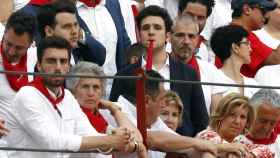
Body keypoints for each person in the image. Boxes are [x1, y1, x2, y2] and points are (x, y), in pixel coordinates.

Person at [5, 36, 134, 158]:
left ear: (68, 67)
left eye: (63, 61)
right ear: (39, 65)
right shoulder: (27, 95)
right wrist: (109, 140)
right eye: (51, 61)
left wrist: (117, 137)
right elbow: (53, 143)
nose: (58, 67)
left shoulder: (67, 97)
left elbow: (88, 133)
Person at [110, 5, 209, 137]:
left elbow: (200, 121)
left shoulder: (188, 73)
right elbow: (114, 117)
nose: (151, 32)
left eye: (157, 27)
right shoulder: (124, 76)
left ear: (168, 36)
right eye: (145, 28)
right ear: (139, 36)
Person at [111, 70, 218, 158]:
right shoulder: (119, 110)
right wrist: (196, 143)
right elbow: (149, 139)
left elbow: (180, 143)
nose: (163, 105)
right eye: (161, 99)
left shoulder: (154, 119)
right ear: (147, 100)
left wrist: (228, 148)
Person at [65, 61, 147, 158]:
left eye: (96, 87)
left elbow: (137, 139)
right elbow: (136, 141)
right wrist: (138, 147)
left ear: (102, 92)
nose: (91, 93)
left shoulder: (99, 115)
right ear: (73, 92)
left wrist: (115, 110)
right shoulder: (75, 113)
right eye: (85, 87)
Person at [170, 14, 225, 114]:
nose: (186, 41)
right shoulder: (159, 68)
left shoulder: (210, 71)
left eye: (191, 36)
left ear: (198, 39)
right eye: (180, 35)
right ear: (169, 37)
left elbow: (216, 115)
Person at [197, 93, 274, 158]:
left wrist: (247, 155)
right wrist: (230, 149)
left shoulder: (240, 142)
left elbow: (267, 151)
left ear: (247, 122)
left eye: (243, 117)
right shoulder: (206, 135)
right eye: (232, 115)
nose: (237, 121)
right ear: (221, 115)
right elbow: (214, 144)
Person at [216, 0, 280, 78]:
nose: (266, 16)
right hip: (230, 87)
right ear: (247, 10)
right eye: (263, 11)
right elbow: (276, 59)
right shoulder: (239, 34)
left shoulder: (237, 31)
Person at [37, 0, 105, 66]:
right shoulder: (36, 59)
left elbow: (100, 57)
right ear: (49, 31)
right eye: (67, 27)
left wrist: (81, 36)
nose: (74, 31)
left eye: (75, 25)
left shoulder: (76, 50)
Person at [211, 25, 259, 98]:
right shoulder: (214, 79)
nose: (250, 49)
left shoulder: (253, 84)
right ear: (235, 47)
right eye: (246, 43)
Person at [237, 89, 280, 158]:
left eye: (273, 123)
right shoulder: (232, 140)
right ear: (249, 114)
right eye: (263, 121)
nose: (266, 127)